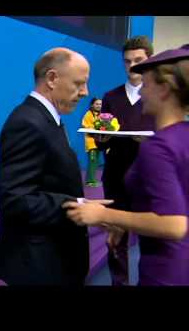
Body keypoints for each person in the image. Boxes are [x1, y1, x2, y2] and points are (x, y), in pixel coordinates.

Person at [64, 44, 189, 286]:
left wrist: (104, 214)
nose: (141, 93)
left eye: (148, 84)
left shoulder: (158, 147)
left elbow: (174, 224)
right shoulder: (183, 134)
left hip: (165, 271)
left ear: (164, 90)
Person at [0, 47, 96, 285]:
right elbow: (13, 200)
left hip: (52, 261)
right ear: (51, 78)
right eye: (79, 83)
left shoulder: (48, 118)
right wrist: (76, 206)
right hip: (38, 267)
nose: (85, 92)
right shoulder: (28, 122)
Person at [96, 35, 156, 286]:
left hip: (149, 177)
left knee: (152, 240)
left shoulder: (159, 96)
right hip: (116, 176)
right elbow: (102, 140)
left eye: (139, 60)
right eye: (127, 61)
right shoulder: (111, 96)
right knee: (116, 238)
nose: (132, 66)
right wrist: (102, 136)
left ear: (150, 60)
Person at [81, 97, 102, 187]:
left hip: (98, 142)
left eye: (100, 104)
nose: (99, 106)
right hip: (91, 142)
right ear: (92, 105)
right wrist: (96, 127)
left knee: (96, 162)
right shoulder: (88, 115)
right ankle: (90, 181)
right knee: (92, 161)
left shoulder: (100, 115)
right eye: (97, 104)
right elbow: (85, 125)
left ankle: (90, 179)